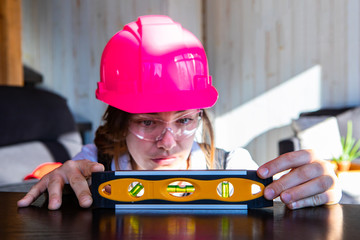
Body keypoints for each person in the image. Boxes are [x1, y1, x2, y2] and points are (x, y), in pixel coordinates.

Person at [18, 15, 341, 210]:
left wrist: (322, 189)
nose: (168, 142)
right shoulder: (95, 167)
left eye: (184, 120)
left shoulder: (234, 167)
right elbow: (66, 175)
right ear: (119, 122)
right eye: (148, 122)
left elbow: (286, 195)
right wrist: (57, 186)